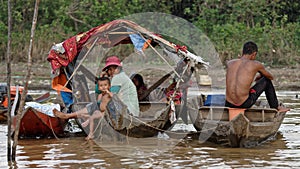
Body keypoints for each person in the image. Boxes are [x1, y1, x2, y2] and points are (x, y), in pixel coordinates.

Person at [53, 55, 140, 121]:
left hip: (128, 112)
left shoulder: (118, 78)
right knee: (101, 101)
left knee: (104, 99)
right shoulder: (118, 77)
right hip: (126, 109)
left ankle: (69, 115)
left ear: (115, 69)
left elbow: (108, 96)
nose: (109, 72)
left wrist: (98, 102)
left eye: (110, 69)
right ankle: (81, 115)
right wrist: (101, 78)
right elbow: (98, 91)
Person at [225, 41, 290, 112]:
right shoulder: (256, 64)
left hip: (229, 104)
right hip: (243, 104)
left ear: (242, 52)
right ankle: (276, 107)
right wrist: (261, 75)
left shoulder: (230, 63)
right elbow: (270, 77)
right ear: (254, 54)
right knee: (266, 80)